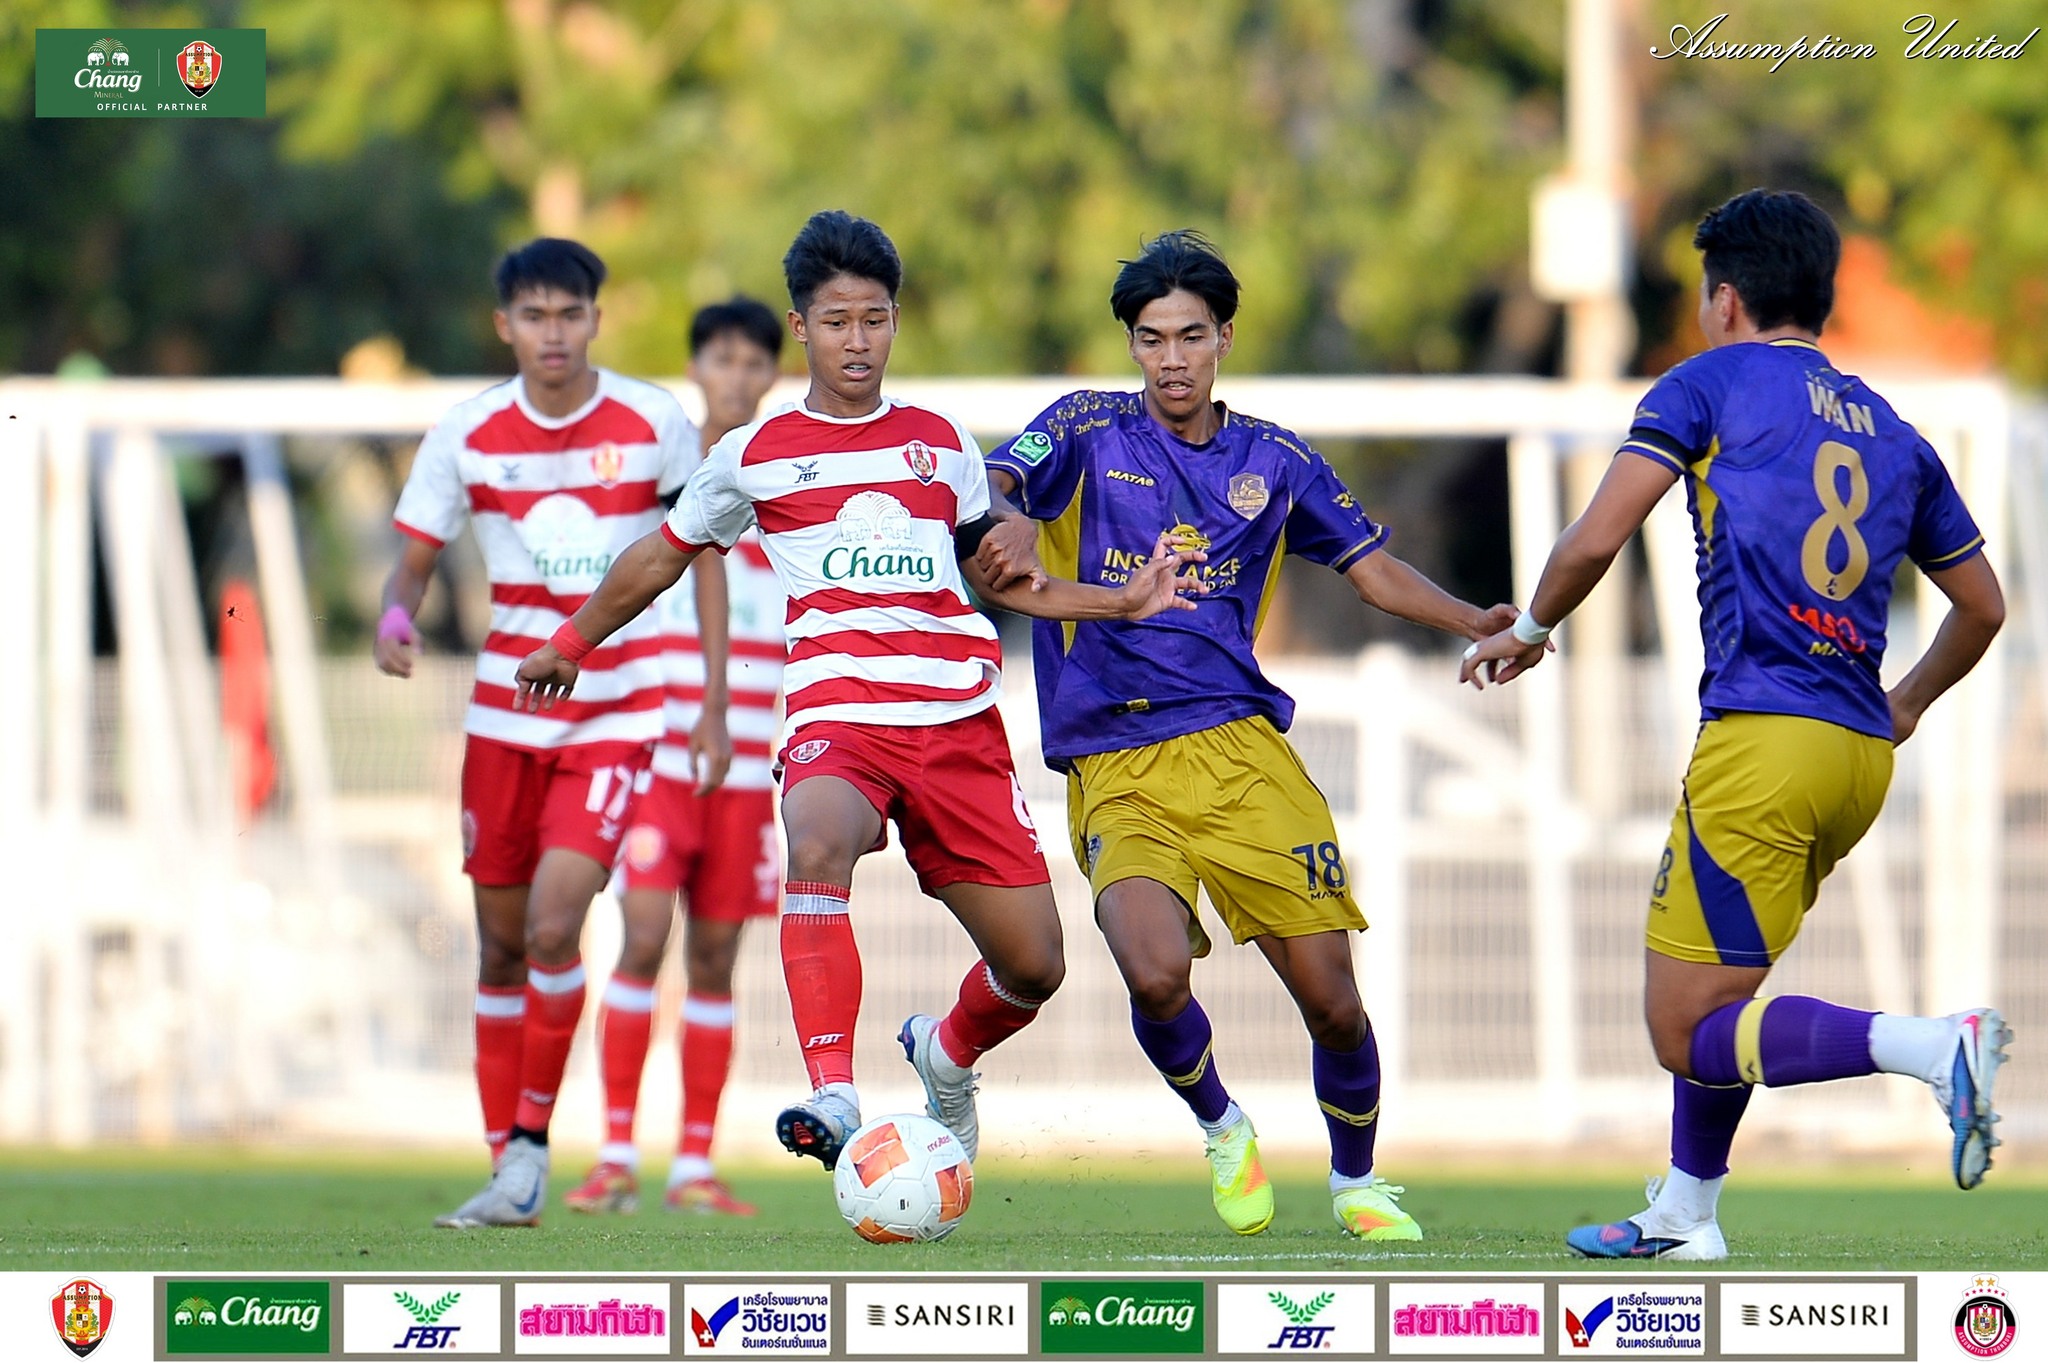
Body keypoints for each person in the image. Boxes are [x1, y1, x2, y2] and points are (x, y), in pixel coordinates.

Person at [514, 210, 1208, 1176]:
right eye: (837, 322)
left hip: (958, 723)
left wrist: (1122, 600)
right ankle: (833, 1090)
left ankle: (948, 1056)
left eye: (875, 320)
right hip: (838, 714)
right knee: (819, 834)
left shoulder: (941, 446)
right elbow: (659, 556)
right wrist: (572, 640)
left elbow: (1007, 581)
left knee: (1035, 964)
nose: (858, 341)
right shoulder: (756, 453)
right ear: (802, 328)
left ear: (895, 321)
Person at [1463, 189, 2013, 1260]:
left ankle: (1929, 1047)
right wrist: (1902, 702)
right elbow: (1983, 606)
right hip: (1855, 753)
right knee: (1726, 998)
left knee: (1681, 1027)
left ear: (1722, 298)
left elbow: (1591, 538)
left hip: (1761, 738)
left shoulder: (1704, 383)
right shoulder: (1891, 429)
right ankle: (1684, 1212)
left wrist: (1528, 626)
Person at [975, 230, 1514, 1240]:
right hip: (1114, 760)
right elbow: (1003, 477)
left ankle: (1354, 1181)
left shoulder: (1274, 458)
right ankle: (1222, 1123)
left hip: (1239, 753)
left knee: (1332, 1004)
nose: (1170, 358)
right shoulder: (1085, 428)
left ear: (1222, 336)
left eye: (1188, 336)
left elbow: (1371, 570)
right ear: (1130, 345)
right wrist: (1001, 520)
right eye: (1148, 339)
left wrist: (1471, 619)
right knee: (1150, 969)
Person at [377, 238, 700, 1227]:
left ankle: (528, 1141)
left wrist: (713, 686)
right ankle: (506, 1164)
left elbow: (702, 542)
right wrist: (395, 613)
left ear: (597, 318)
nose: (552, 333)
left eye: (570, 314)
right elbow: (413, 559)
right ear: (504, 326)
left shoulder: (653, 422)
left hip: (615, 713)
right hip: (501, 722)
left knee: (559, 924)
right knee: (502, 948)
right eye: (534, 316)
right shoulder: (468, 434)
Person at [564, 298, 787, 1218]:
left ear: (769, 375)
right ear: (697, 365)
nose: (734, 377)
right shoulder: (660, 480)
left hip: (747, 776)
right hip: (658, 757)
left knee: (716, 958)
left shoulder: (786, 490)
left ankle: (693, 1163)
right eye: (720, 359)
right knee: (643, 936)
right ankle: (615, 1152)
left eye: (751, 363)